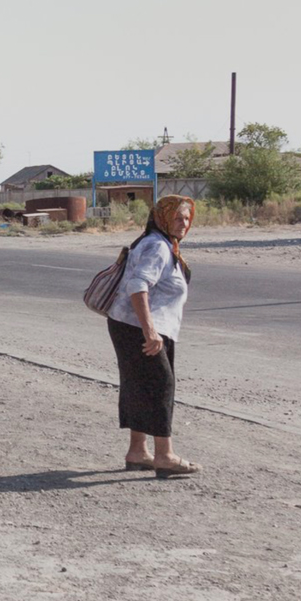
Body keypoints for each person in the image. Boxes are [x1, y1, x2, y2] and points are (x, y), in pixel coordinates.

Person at [103, 194, 197, 477]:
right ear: (163, 217)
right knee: (160, 384)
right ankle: (165, 456)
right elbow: (137, 285)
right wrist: (150, 330)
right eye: (178, 217)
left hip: (132, 325)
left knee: (139, 385)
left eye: (187, 218)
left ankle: (137, 452)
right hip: (140, 327)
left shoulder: (161, 243)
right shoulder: (158, 246)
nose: (184, 223)